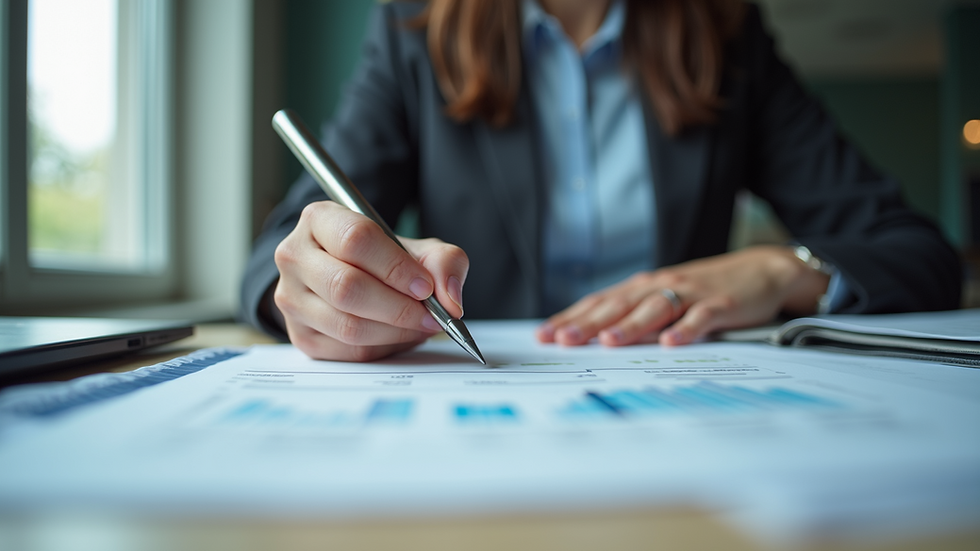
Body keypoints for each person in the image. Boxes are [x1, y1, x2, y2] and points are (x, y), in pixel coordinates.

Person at [241, 0, 961, 362]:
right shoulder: (414, 29)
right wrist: (320, 290)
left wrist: (786, 269)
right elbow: (281, 252)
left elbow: (916, 252)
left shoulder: (727, 35)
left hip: (684, 420)